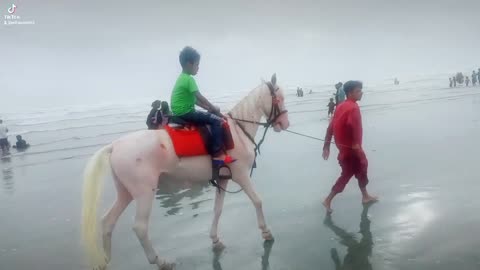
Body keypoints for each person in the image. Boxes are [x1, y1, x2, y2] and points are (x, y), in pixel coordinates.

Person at [170, 46, 233, 164]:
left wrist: (209, 109)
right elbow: (200, 97)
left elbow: (195, 101)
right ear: (189, 64)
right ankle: (217, 155)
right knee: (217, 121)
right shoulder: (189, 79)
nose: (198, 68)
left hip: (180, 112)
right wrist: (213, 108)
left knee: (211, 115)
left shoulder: (181, 78)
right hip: (186, 113)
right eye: (197, 65)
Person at [322, 81, 378, 213]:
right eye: (358, 91)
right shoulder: (353, 108)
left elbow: (330, 127)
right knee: (350, 173)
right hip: (351, 150)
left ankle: (365, 196)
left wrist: (326, 145)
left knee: (360, 170)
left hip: (344, 149)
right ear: (350, 93)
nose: (361, 93)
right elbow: (355, 128)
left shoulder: (341, 106)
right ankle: (328, 200)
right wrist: (357, 147)